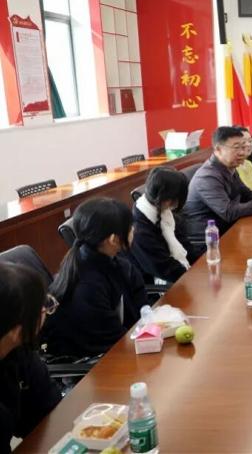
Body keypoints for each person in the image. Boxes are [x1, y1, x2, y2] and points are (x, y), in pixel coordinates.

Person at [42, 198, 148, 358]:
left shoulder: (114, 260)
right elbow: (115, 344)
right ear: (113, 239)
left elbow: (141, 302)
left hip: (121, 344)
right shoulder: (87, 287)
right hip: (95, 362)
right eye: (129, 228)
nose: (133, 230)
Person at [183, 126, 252, 243]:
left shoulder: (229, 168)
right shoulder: (207, 177)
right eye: (236, 147)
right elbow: (228, 212)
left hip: (229, 230)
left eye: (243, 147)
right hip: (208, 241)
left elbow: (247, 194)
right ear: (218, 149)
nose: (242, 152)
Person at [0, 262, 62, 453]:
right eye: (41, 308)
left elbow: (48, 411)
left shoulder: (20, 352)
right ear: (16, 331)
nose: (46, 310)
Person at [131, 166, 199, 284]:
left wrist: (201, 262)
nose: (176, 204)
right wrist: (194, 276)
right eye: (176, 199)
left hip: (179, 271)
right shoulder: (139, 229)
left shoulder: (164, 212)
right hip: (160, 281)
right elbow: (163, 268)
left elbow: (183, 242)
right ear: (166, 198)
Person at [234, 126, 252, 194]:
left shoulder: (249, 164)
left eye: (250, 141)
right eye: (244, 142)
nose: (248, 144)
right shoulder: (232, 167)